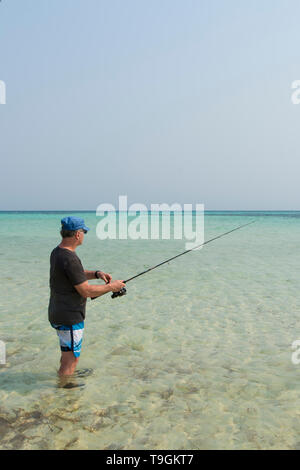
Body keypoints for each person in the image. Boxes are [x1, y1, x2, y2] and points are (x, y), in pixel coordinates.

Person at [48, 216, 125, 377]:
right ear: (77, 234)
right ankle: (66, 390)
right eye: (83, 232)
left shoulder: (58, 252)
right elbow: (86, 291)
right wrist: (113, 287)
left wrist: (97, 274)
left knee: (67, 355)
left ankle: (66, 376)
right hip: (70, 317)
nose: (84, 235)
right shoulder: (70, 258)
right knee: (72, 359)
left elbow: (74, 275)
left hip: (58, 312)